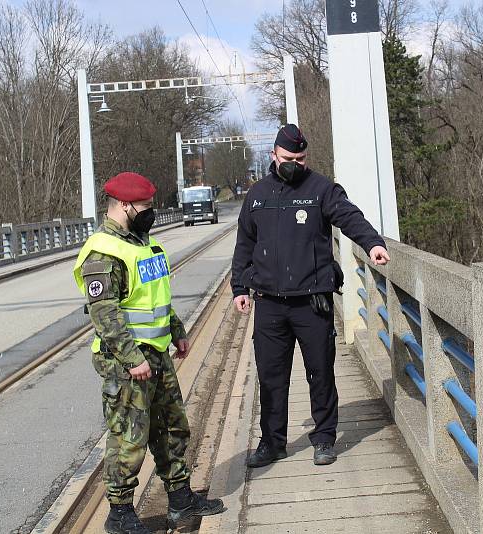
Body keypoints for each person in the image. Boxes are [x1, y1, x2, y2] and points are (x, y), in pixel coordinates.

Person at [73, 172, 224, 534]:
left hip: (156, 354)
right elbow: (105, 313)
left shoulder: (145, 245)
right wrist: (131, 358)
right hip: (127, 362)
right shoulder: (103, 251)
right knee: (129, 436)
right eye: (144, 206)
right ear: (123, 206)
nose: (150, 212)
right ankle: (120, 514)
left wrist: (177, 331)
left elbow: (157, 297)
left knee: (172, 426)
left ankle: (180, 500)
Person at [231, 124, 390, 468]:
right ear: (273, 155)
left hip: (312, 302)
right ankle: (272, 443)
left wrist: (373, 242)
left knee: (320, 373)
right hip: (270, 303)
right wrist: (239, 288)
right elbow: (244, 244)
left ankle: (323, 439)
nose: (295, 163)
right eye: (289, 158)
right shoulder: (257, 195)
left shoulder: (321, 189)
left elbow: (349, 217)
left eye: (301, 158)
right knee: (271, 377)